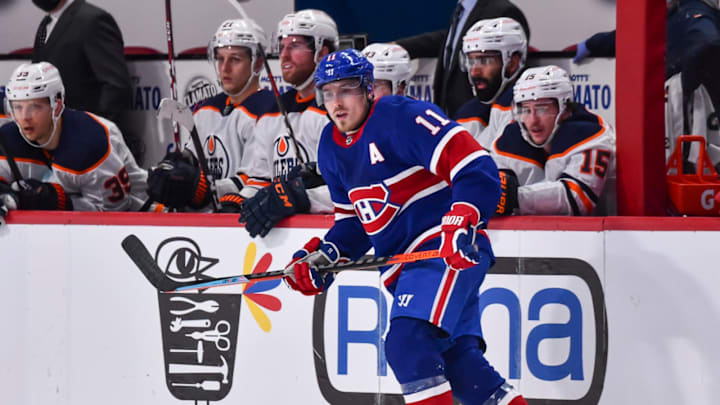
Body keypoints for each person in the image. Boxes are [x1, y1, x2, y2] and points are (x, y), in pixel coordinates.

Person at [283, 48, 528, 405]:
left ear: (369, 89)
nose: (337, 103)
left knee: (407, 343)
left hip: (445, 249)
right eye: (328, 93)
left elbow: (477, 168)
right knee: (464, 370)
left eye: (347, 90)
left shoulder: (402, 117)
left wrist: (463, 215)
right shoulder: (329, 147)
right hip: (406, 265)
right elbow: (354, 223)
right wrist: (324, 256)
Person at [145, 18, 275, 212]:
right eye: (220, 58)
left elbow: (257, 180)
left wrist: (202, 189)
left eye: (235, 59)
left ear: (257, 63)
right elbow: (194, 165)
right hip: (203, 222)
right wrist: (176, 168)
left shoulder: (269, 111)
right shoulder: (205, 109)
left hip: (242, 221)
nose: (225, 68)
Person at [234, 9, 338, 236]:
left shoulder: (338, 113)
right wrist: (239, 203)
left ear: (322, 51)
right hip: (278, 238)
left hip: (329, 236)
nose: (284, 55)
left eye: (295, 46)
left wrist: (302, 196)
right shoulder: (273, 111)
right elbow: (260, 180)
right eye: (281, 47)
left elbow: (352, 192)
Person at [0, 62, 149, 212]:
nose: (24, 117)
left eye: (35, 106)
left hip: (142, 215)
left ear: (57, 105)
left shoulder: (90, 142)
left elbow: (114, 212)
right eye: (18, 107)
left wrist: (58, 201)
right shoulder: (9, 138)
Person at [493, 65, 616, 216]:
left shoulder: (593, 135)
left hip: (607, 236)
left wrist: (514, 198)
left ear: (565, 108)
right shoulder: (509, 139)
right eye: (525, 110)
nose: (533, 121)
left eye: (542, 109)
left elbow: (577, 199)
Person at [395, 0, 529, 118]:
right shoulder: (462, 10)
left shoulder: (503, 11)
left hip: (482, 124)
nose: (475, 70)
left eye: (483, 60)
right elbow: (449, 42)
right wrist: (399, 47)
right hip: (454, 117)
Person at [31, 0, 132, 127]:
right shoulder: (46, 24)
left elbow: (116, 85)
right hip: (52, 134)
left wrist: (94, 128)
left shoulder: (92, 20)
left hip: (84, 135)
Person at [454, 17, 527, 149]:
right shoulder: (467, 112)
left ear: (512, 63)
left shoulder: (526, 110)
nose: (474, 72)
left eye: (485, 61)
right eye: (471, 61)